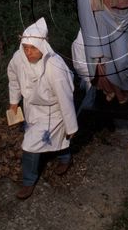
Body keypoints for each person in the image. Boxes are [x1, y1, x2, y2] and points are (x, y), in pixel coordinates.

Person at [8, 17, 78, 200]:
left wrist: (71, 126)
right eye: (26, 48)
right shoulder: (18, 59)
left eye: (33, 48)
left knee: (31, 144)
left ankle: (29, 180)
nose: (29, 52)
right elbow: (14, 78)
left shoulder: (55, 67)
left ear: (42, 48)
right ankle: (64, 156)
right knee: (45, 139)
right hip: (32, 107)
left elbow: (65, 98)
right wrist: (14, 101)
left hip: (53, 110)